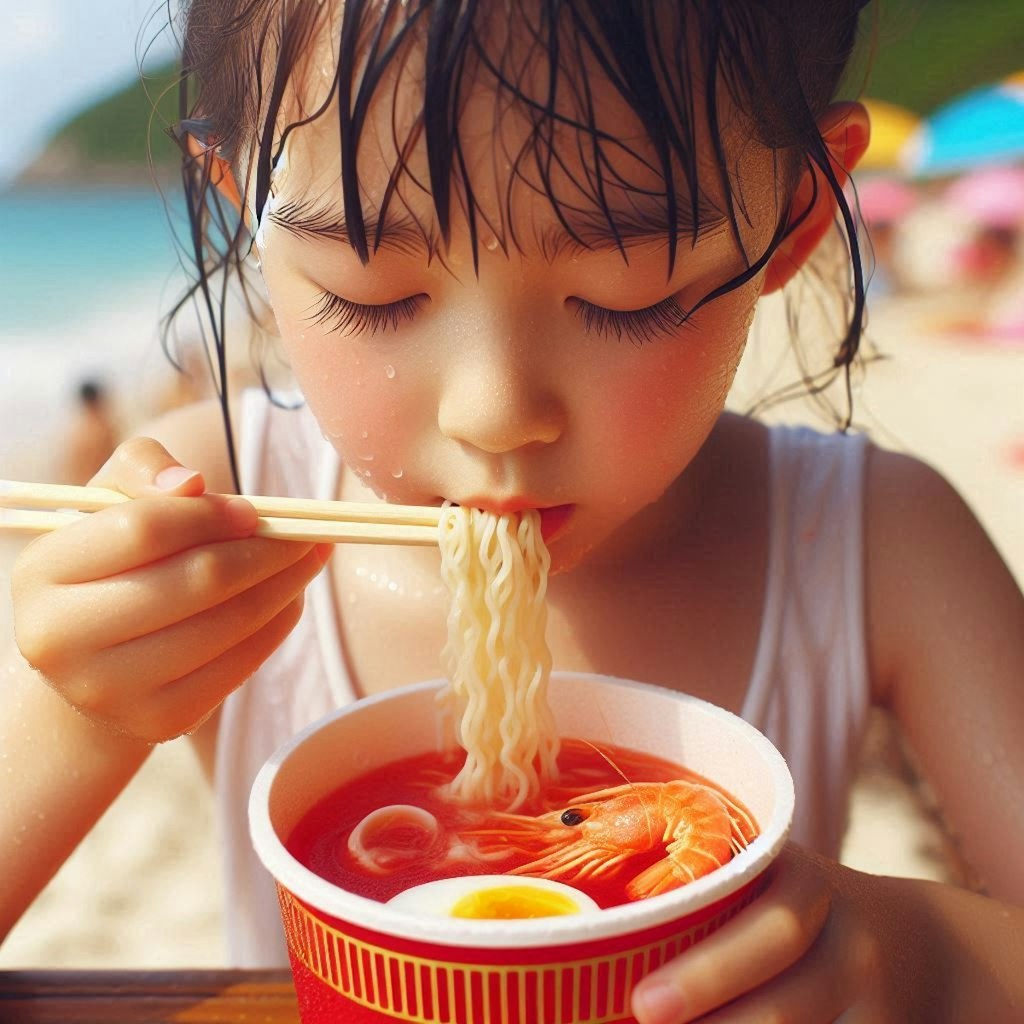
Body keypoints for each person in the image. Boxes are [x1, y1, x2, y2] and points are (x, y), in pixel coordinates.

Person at [3, 2, 1023, 1019]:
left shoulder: (879, 545)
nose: (494, 413)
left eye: (627, 293)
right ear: (245, 211)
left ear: (792, 216)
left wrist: (926, 952)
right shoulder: (225, 507)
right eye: (372, 292)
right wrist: (78, 713)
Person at [57, 378, 119, 486]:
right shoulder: (103, 430)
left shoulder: (75, 430)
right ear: (98, 400)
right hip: (96, 489)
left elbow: (65, 468)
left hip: (78, 488)